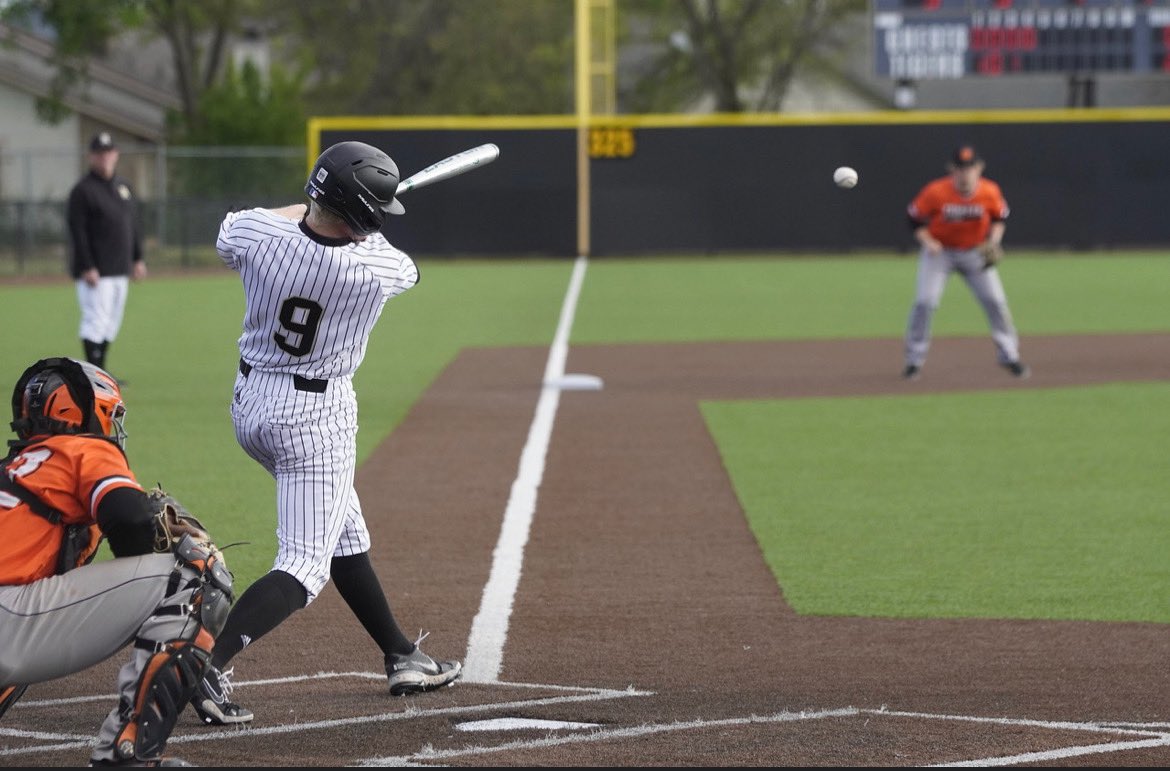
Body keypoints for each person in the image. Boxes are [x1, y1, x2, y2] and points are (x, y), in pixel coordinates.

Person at [189, 140, 462, 727]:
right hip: (315, 421)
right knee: (305, 565)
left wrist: (329, 204)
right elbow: (408, 268)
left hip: (251, 404)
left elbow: (239, 229)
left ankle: (400, 654)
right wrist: (362, 215)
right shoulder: (370, 269)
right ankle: (203, 662)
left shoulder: (258, 237)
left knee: (344, 530)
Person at [0, 357, 234, 767]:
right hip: (7, 619)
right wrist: (183, 647)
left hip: (12, 617)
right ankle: (125, 753)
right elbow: (128, 517)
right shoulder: (82, 447)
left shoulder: (13, 471)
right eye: (111, 416)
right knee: (195, 575)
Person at [901, 144, 1030, 381]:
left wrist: (994, 241)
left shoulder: (990, 191)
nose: (965, 173)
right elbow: (914, 219)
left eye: (970, 167)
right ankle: (913, 361)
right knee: (925, 302)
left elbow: (999, 218)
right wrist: (928, 241)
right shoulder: (935, 192)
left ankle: (1009, 356)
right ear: (952, 169)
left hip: (975, 253)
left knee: (996, 301)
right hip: (940, 254)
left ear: (979, 168)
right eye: (960, 168)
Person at [66, 131, 147, 382]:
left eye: (108, 152)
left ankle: (101, 371)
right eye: (99, 153)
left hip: (119, 266)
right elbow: (77, 231)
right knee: (95, 320)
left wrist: (137, 258)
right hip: (96, 270)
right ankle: (92, 374)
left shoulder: (122, 187)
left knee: (112, 320)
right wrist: (87, 265)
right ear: (91, 156)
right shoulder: (83, 190)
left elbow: (131, 224)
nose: (105, 157)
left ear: (115, 154)